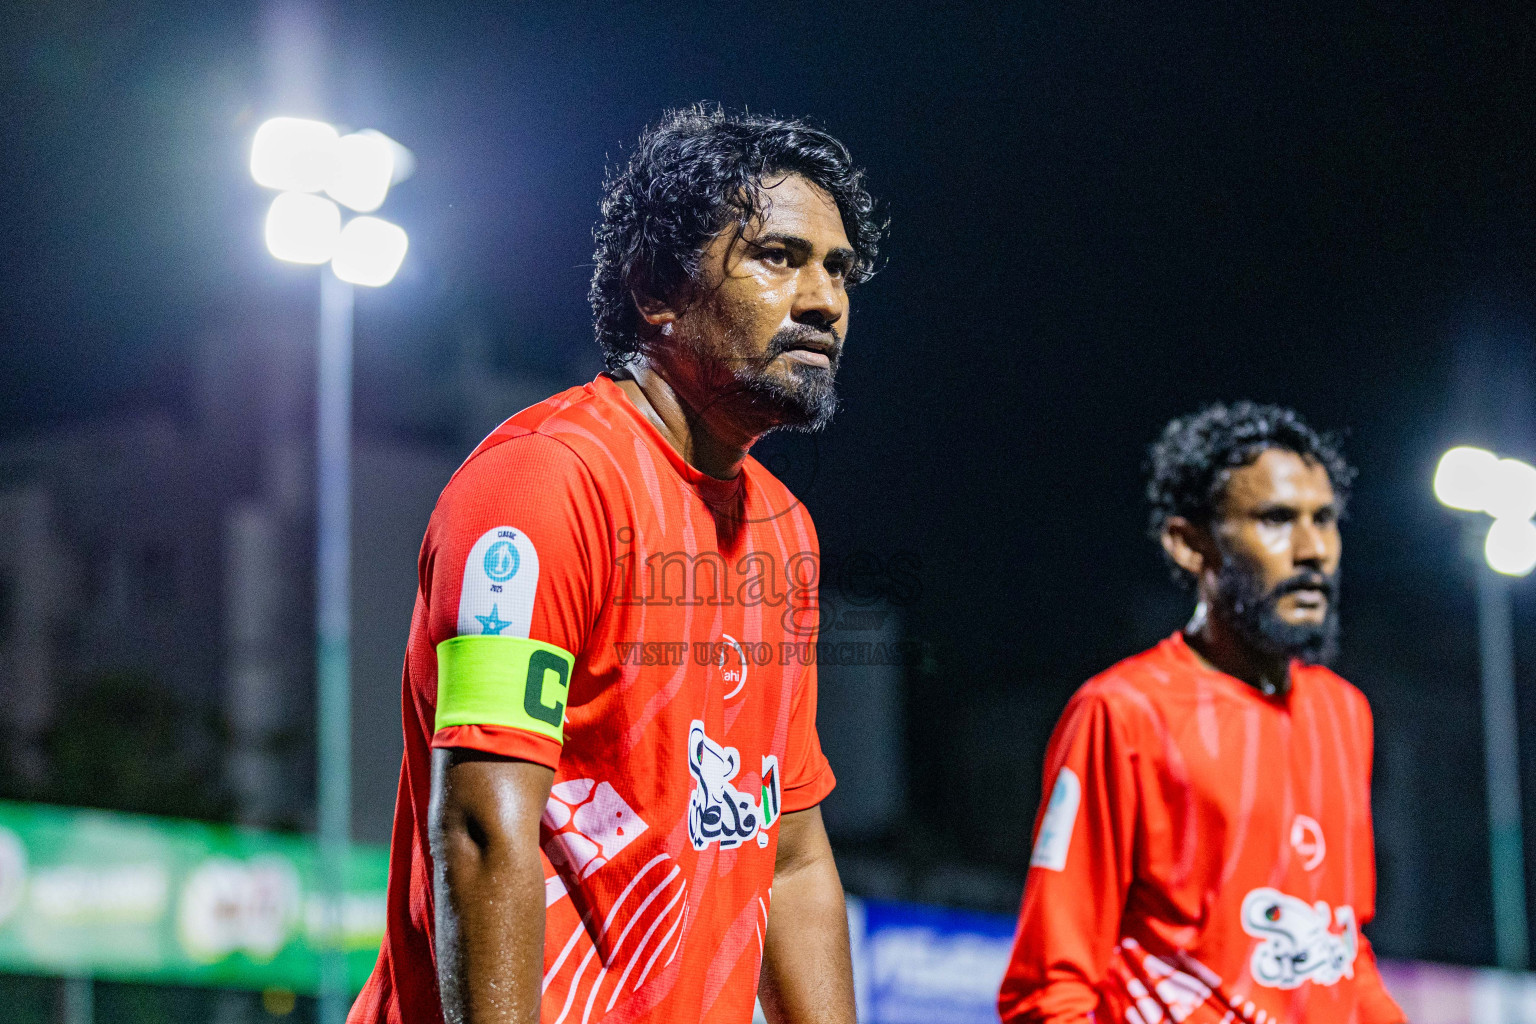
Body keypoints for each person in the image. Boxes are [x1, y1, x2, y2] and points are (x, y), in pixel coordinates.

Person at [349, 106, 882, 1024]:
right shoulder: (543, 484)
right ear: (655, 289)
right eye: (778, 257)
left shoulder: (786, 533)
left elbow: (790, 854)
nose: (824, 300)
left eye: (837, 270)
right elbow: (482, 827)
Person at [998, 403, 1406, 1024]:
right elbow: (1049, 991)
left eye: (1324, 520)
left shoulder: (1345, 712)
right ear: (1189, 545)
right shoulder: (1122, 712)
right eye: (1276, 519)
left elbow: (1343, 951)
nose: (1312, 549)